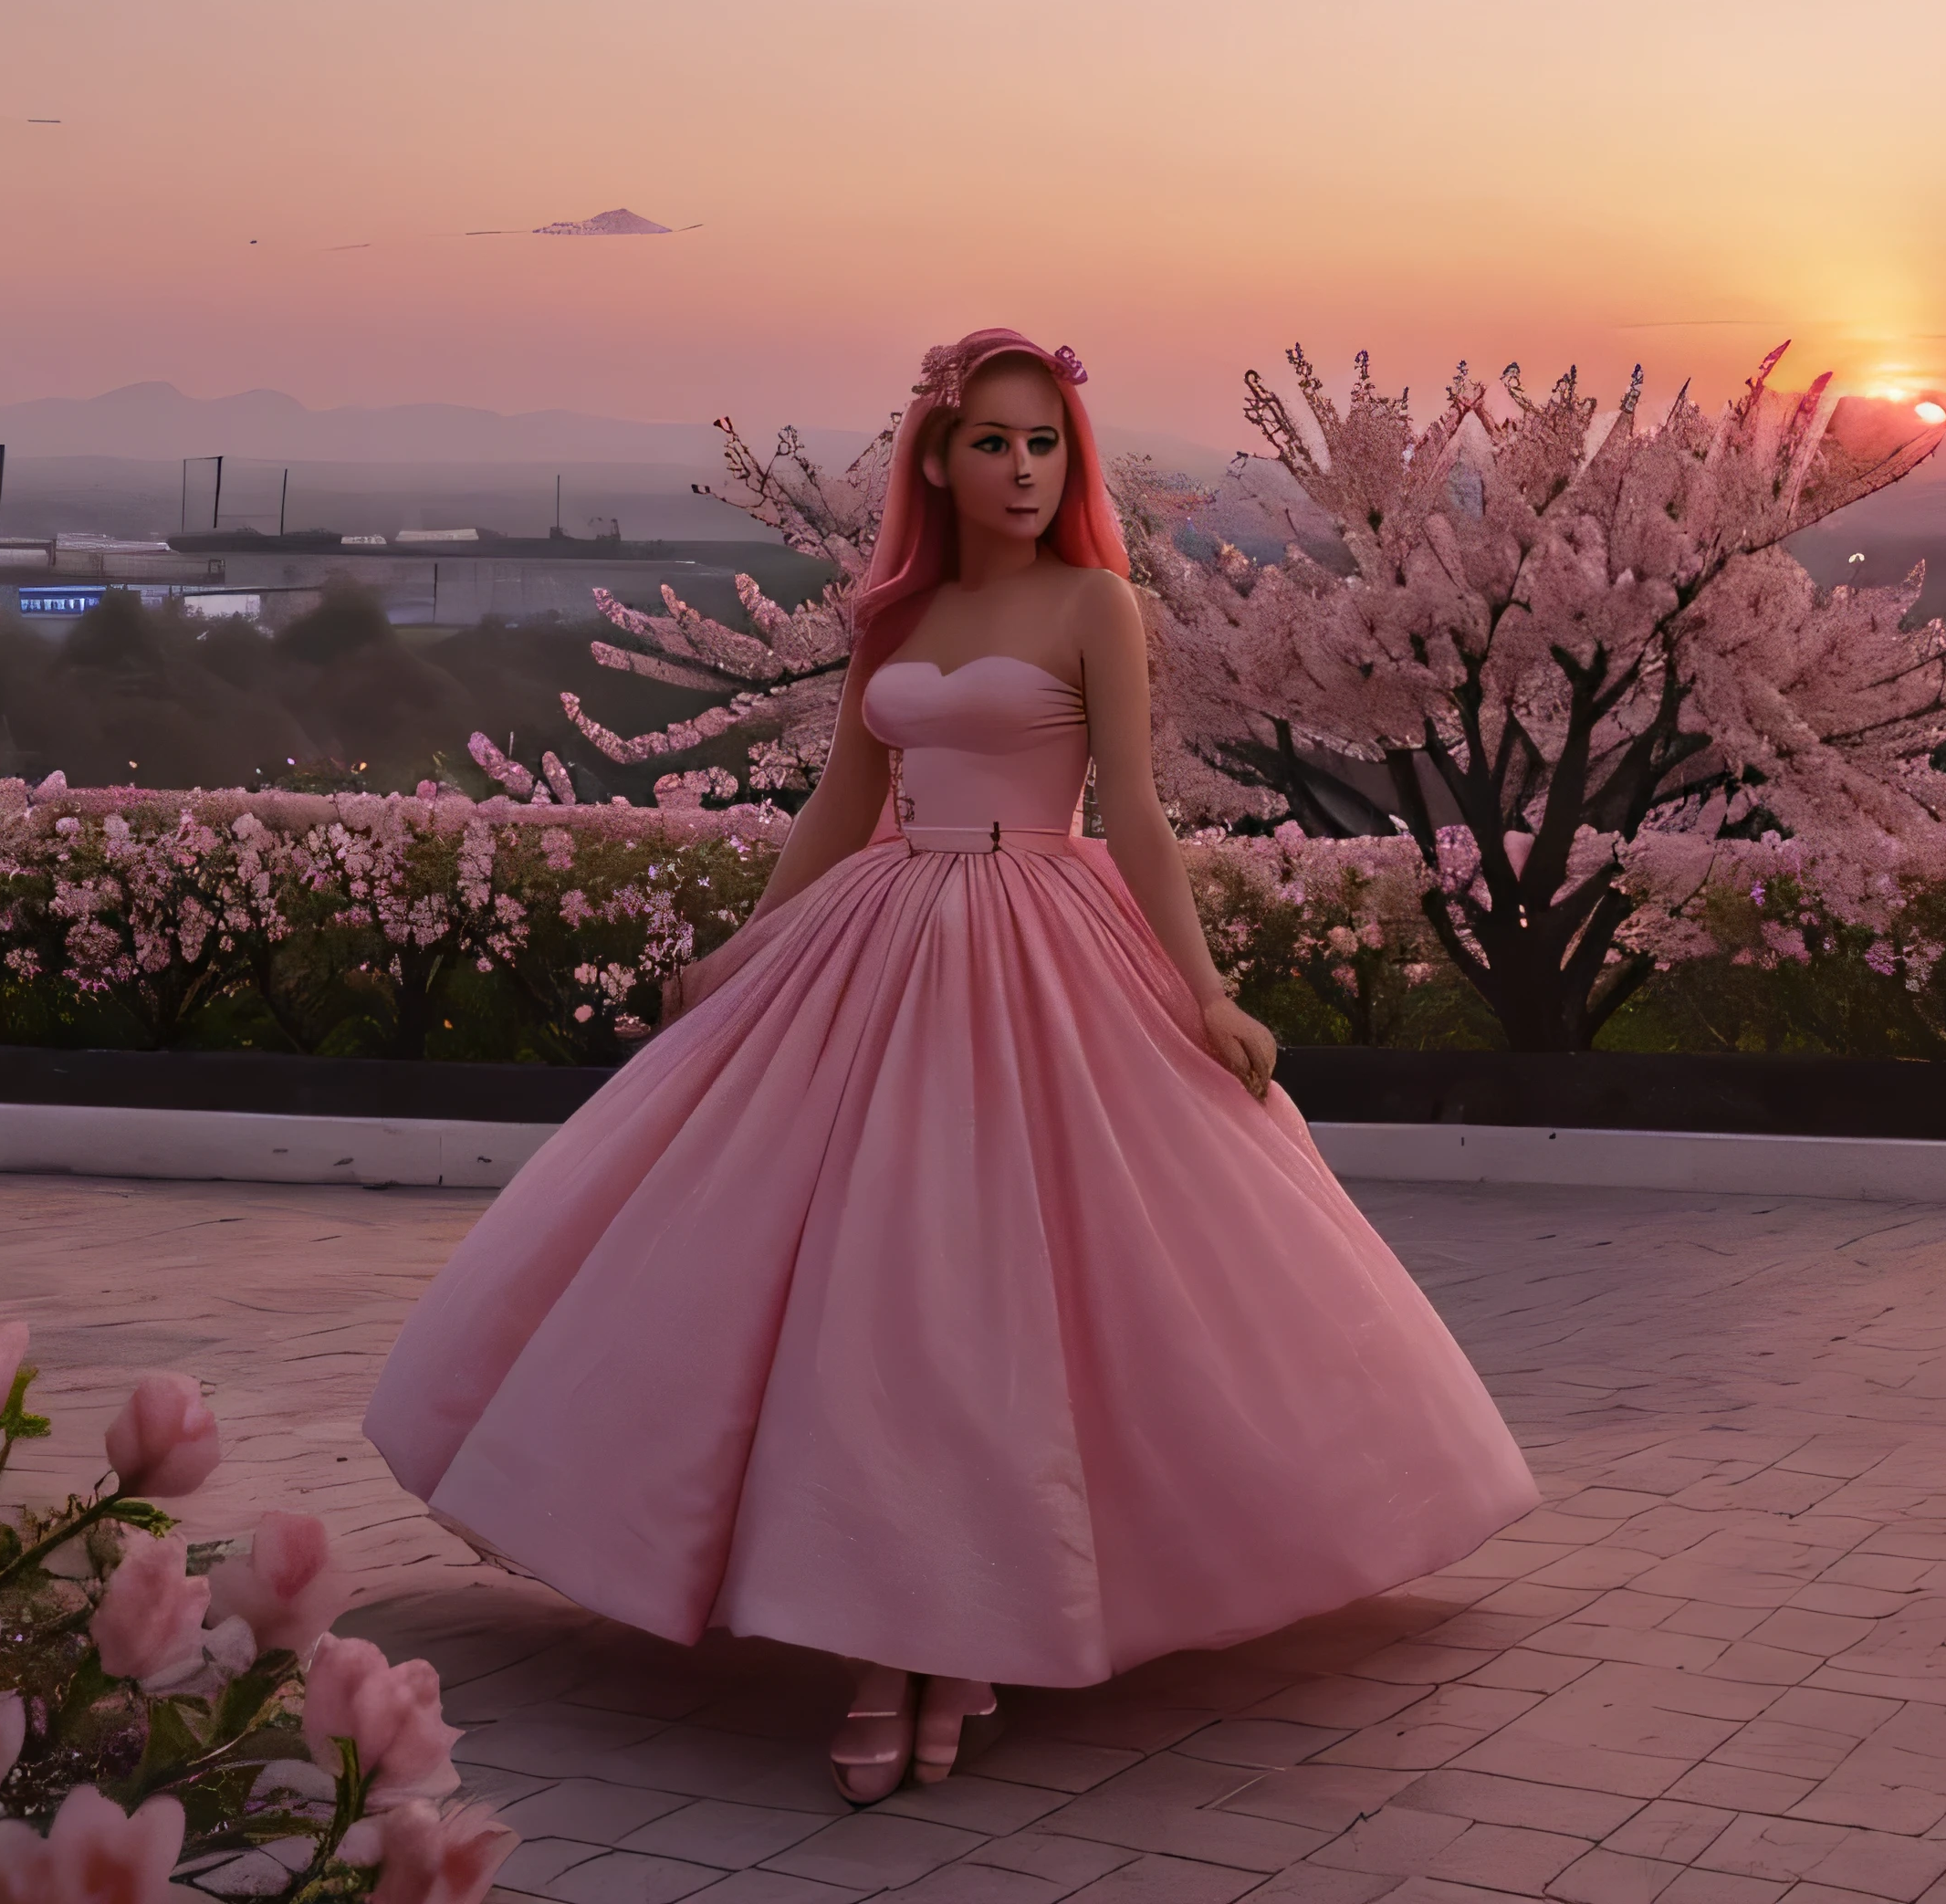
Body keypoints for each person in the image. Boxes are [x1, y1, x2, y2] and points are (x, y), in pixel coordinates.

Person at [362, 328, 1536, 1805]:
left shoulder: (1098, 602)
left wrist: (1205, 990)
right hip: (881, 935)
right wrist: (741, 952)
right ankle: (899, 1630)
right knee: (866, 1296)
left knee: (999, 1299)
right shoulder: (893, 617)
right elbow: (840, 802)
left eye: (1045, 441)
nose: (1024, 467)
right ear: (937, 456)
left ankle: (947, 1635)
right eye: (992, 440)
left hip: (1044, 940)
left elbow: (1142, 820)